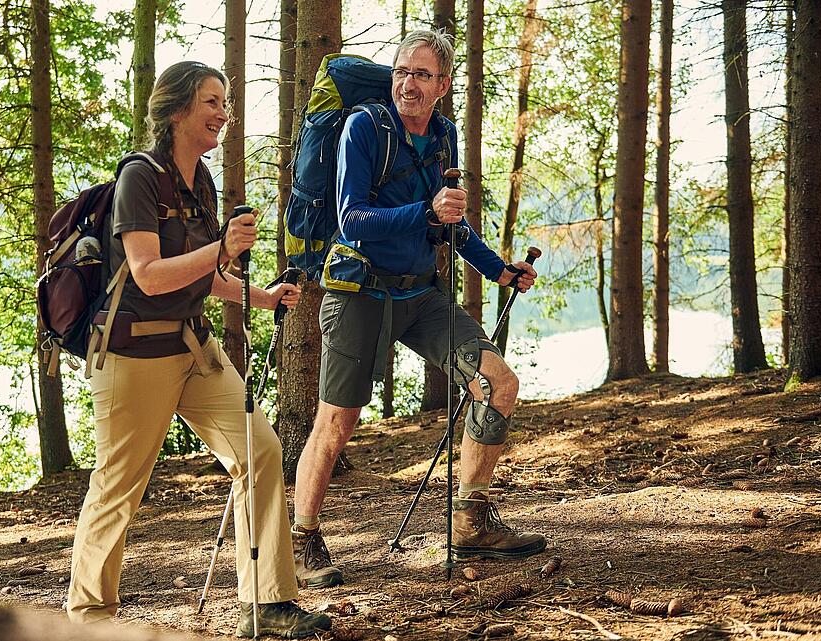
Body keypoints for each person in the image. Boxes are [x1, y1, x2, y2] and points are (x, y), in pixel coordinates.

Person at [66, 61, 331, 639]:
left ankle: (267, 603)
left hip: (192, 348)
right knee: (118, 489)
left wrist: (260, 296)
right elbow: (148, 274)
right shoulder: (140, 176)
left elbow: (202, 274)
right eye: (212, 101)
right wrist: (222, 250)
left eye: (226, 102)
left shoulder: (200, 181)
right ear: (178, 108)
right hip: (134, 355)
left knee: (260, 453)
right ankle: (89, 621)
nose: (223, 113)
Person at [291, 30, 546, 589]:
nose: (408, 83)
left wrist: (498, 269)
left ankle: (471, 520)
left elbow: (450, 221)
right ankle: (302, 536)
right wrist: (423, 212)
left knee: (498, 383)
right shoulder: (365, 128)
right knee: (336, 422)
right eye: (402, 71)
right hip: (358, 290)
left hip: (420, 294)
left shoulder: (444, 136)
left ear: (443, 86)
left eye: (422, 75)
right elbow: (351, 219)